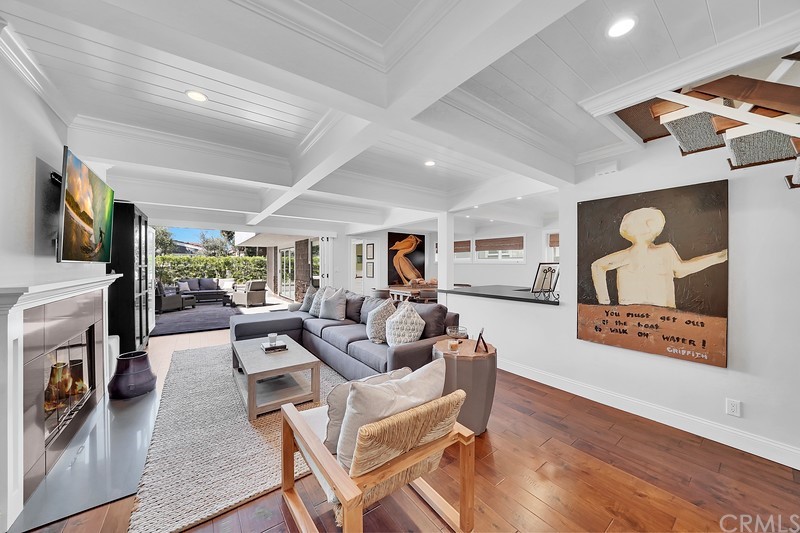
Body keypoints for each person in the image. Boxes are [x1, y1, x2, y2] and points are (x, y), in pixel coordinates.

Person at [591, 207, 727, 308]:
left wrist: (718, 257)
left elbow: (680, 270)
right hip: (632, 317)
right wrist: (604, 303)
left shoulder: (664, 250)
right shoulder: (626, 255)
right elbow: (597, 266)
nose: (651, 228)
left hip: (665, 316)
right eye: (648, 223)